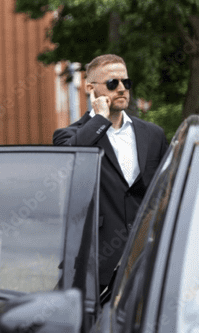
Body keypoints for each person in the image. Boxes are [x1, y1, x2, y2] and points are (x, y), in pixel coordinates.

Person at [53, 54, 168, 291]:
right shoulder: (68, 135)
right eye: (113, 83)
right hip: (95, 259)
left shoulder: (152, 134)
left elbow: (166, 188)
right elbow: (69, 160)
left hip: (147, 256)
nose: (122, 89)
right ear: (90, 88)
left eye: (126, 82)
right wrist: (100, 120)